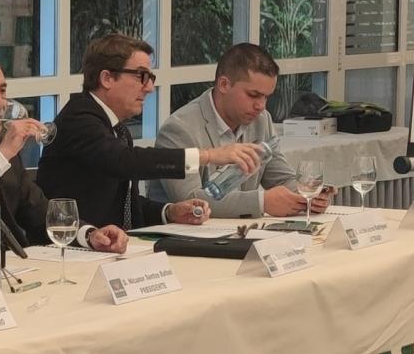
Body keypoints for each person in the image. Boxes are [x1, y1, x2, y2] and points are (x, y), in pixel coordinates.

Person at [36, 33, 266, 231]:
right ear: (107, 78)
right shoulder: (79, 118)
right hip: (71, 251)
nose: (149, 87)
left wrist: (169, 212)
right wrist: (208, 155)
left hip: (111, 249)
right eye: (141, 76)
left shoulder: (116, 127)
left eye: (150, 78)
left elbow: (125, 203)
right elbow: (123, 161)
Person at [0, 52, 128, 253]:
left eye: (3, 91)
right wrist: (2, 154)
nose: (0, 104)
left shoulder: (0, 146)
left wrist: (90, 235)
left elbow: (37, 210)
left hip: (13, 263)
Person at [152, 43, 329, 218]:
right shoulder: (179, 129)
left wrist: (309, 193)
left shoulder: (262, 120)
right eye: (253, 95)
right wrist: (262, 202)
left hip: (239, 234)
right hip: (184, 239)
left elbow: (281, 178)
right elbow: (189, 200)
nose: (261, 106)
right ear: (223, 85)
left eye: (266, 96)